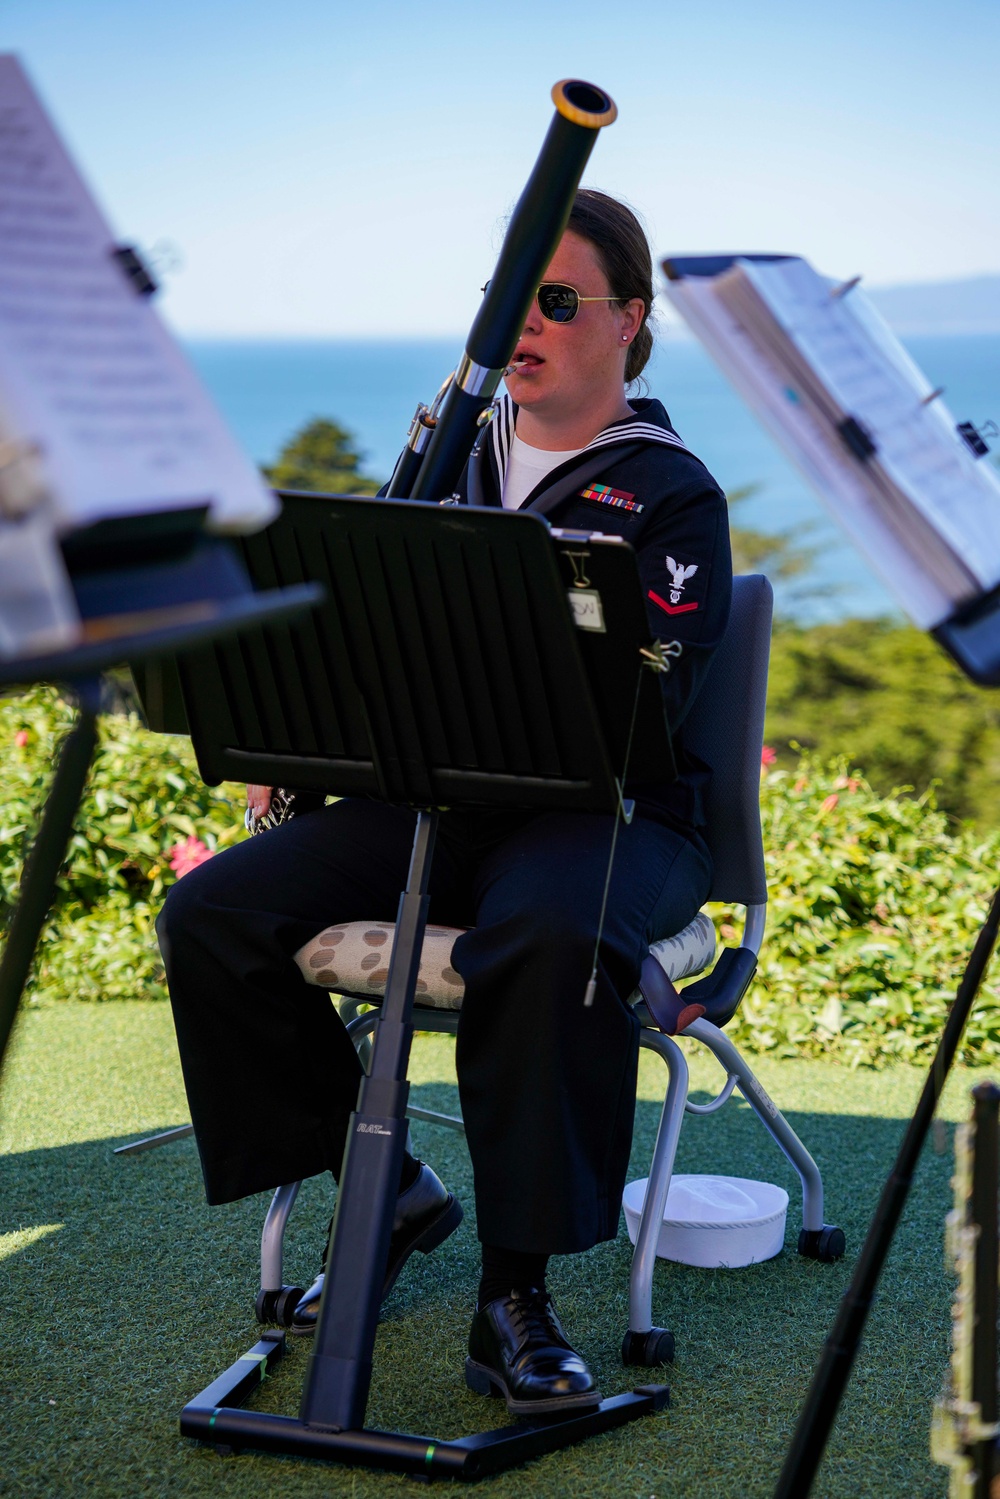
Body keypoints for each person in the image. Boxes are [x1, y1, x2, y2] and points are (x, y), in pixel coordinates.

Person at [157, 189, 732, 1417]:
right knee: (211, 914)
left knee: (548, 933)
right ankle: (388, 1188)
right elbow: (354, 627)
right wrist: (306, 729)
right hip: (440, 797)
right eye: (510, 299)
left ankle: (514, 1295)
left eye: (559, 300)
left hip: (611, 819)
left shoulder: (671, 494)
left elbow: (651, 715)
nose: (526, 323)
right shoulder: (447, 452)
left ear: (628, 323)